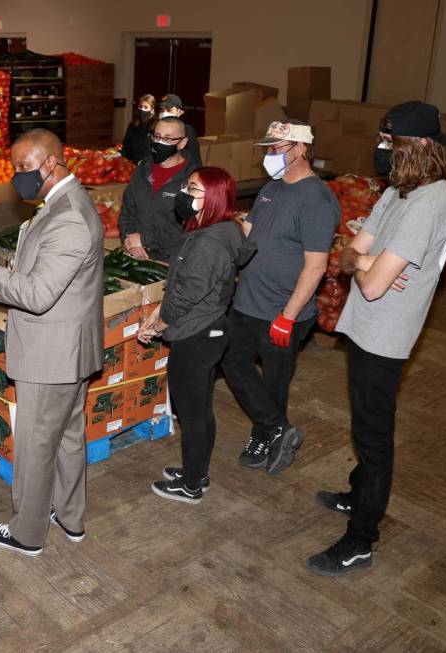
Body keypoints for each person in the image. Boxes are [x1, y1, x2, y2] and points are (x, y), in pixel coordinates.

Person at [307, 102, 446, 577]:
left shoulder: (432, 202)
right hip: (365, 325)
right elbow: (348, 256)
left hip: (386, 336)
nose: (382, 150)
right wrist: (364, 261)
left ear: (421, 146)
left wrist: (365, 267)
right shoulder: (399, 191)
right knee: (364, 424)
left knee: (374, 437)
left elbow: (368, 284)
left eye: (390, 142)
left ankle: (361, 540)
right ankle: (358, 497)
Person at [0, 129, 104, 556]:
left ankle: (26, 534)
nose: (17, 176)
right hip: (66, 349)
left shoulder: (69, 217)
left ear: (50, 164)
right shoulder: (61, 205)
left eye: (23, 167)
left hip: (51, 354)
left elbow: (39, 294)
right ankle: (70, 515)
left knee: (36, 444)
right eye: (14, 167)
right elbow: (42, 265)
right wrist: (0, 258)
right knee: (67, 436)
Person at [221, 120, 338, 474]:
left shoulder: (317, 200)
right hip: (247, 301)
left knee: (274, 381)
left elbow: (316, 267)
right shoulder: (271, 188)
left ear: (300, 150)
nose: (268, 155)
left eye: (276, 148)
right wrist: (222, 216)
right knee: (232, 362)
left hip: (281, 310)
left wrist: (287, 316)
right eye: (267, 149)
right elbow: (253, 232)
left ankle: (265, 435)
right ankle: (278, 428)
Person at [139, 167, 256, 504]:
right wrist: (158, 314)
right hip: (208, 329)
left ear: (214, 198)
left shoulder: (209, 243)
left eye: (192, 188)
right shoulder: (220, 231)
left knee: (192, 413)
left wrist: (159, 325)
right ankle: (195, 471)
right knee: (200, 407)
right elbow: (183, 288)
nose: (184, 194)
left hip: (197, 333)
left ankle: (191, 484)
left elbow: (188, 293)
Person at [118, 116, 199, 261]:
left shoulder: (194, 179)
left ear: (182, 143)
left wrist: (144, 239)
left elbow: (186, 225)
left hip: (173, 259)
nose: (160, 142)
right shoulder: (142, 170)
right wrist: (131, 241)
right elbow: (127, 211)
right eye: (157, 136)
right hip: (138, 253)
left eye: (167, 139)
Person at [158, 94, 202, 163]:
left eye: (169, 110)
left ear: (179, 112)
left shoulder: (187, 131)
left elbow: (195, 159)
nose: (164, 113)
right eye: (161, 110)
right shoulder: (155, 131)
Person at [121, 94, 155, 164]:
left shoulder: (155, 127)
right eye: (141, 107)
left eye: (146, 107)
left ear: (152, 111)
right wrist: (119, 154)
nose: (142, 109)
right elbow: (126, 147)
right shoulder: (132, 125)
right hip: (132, 165)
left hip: (148, 167)